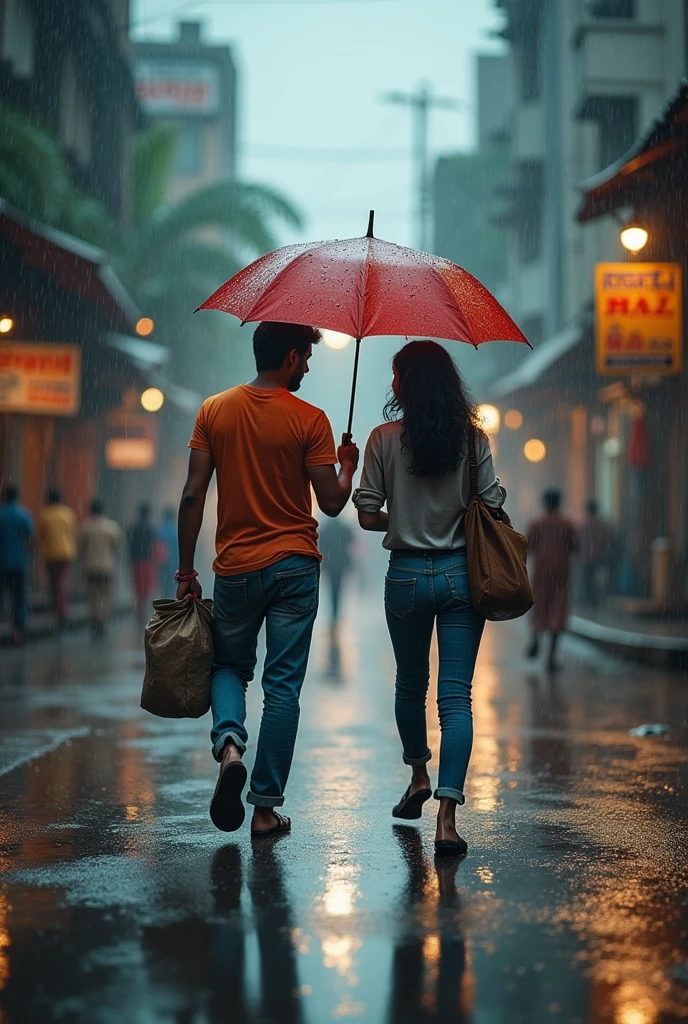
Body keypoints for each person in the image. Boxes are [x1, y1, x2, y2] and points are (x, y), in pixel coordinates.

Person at [175, 322, 359, 837]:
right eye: (304, 359)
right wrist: (347, 467)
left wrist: (186, 571)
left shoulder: (215, 410)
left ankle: (230, 744)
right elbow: (330, 502)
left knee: (229, 666)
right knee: (282, 687)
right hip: (295, 568)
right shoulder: (310, 420)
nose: (306, 367)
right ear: (291, 357)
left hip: (234, 568)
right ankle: (263, 809)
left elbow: (193, 494)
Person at [354, 340, 505, 857]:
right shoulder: (472, 439)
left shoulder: (382, 439)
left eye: (397, 373)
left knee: (410, 683)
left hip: (406, 580)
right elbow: (492, 504)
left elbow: (366, 515)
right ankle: (445, 818)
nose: (392, 381)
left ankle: (418, 773)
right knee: (455, 698)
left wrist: (401, 516)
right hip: (463, 578)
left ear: (407, 382)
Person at [526, 489, 578, 672]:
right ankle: (551, 657)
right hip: (561, 573)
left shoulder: (537, 523)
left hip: (541, 572)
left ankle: (536, 637)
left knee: (539, 605)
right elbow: (575, 547)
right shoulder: (567, 523)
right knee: (558, 609)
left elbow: (528, 546)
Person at [80, 499, 123, 637]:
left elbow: (82, 545)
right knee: (105, 595)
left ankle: (96, 619)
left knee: (94, 595)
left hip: (91, 566)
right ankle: (102, 619)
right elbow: (116, 544)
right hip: (107, 566)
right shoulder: (111, 527)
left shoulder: (86, 527)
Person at [37, 487, 77, 630]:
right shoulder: (68, 513)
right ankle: (62, 611)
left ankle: (58, 610)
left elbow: (40, 535)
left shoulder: (45, 514)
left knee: (54, 583)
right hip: (66, 552)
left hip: (51, 553)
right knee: (62, 582)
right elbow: (73, 532)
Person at [0, 485, 34, 645]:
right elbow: (30, 539)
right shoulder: (24, 515)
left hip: (3, 561)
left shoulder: (1, 515)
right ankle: (19, 632)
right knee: (19, 597)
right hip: (19, 562)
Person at [319, 515, 355, 635]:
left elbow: (321, 546)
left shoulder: (325, 529)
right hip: (340, 565)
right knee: (338, 590)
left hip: (330, 565)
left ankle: (333, 615)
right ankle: (335, 615)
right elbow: (351, 541)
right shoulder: (344, 528)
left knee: (331, 590)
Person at [578, 499, 612, 609]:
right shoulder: (601, 525)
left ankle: (587, 600)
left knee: (587, 580)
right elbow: (606, 541)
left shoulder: (583, 524)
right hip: (599, 557)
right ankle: (594, 601)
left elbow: (577, 541)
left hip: (586, 557)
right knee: (596, 580)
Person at [127, 504, 157, 622]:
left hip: (135, 561)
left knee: (137, 585)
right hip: (147, 561)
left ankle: (139, 608)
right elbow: (153, 546)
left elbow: (129, 544)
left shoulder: (132, 528)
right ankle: (142, 608)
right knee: (146, 586)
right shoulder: (151, 529)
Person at [157, 506, 178, 599]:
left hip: (162, 562)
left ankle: (164, 601)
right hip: (174, 562)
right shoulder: (176, 530)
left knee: (163, 584)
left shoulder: (159, 530)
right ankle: (171, 601)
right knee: (172, 585)